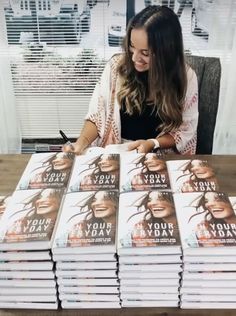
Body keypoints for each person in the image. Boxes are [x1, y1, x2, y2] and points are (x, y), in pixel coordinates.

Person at [63, 5, 198, 156]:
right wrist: (81, 143)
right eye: (132, 47)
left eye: (145, 53)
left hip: (159, 156)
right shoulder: (116, 68)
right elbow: (96, 117)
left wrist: (152, 143)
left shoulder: (186, 77)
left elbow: (186, 130)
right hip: (117, 154)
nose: (134, 58)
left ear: (167, 52)